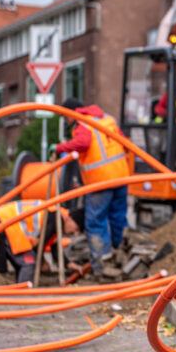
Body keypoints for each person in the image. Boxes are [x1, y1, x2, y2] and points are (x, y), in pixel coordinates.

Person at [54, 98, 129, 279]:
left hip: (100, 182)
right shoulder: (107, 119)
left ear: (72, 112)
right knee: (118, 218)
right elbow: (125, 143)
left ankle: (102, 266)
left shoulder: (83, 124)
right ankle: (125, 254)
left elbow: (83, 143)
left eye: (66, 116)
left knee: (95, 222)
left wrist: (60, 148)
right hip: (121, 176)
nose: (66, 121)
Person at [0, 201, 84, 283]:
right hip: (3, 221)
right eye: (76, 229)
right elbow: (40, 244)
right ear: (71, 219)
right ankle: (21, 294)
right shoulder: (56, 217)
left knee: (21, 261)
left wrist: (69, 264)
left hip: (2, 220)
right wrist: (42, 261)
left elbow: (55, 248)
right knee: (29, 262)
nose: (74, 233)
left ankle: (17, 287)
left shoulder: (57, 218)